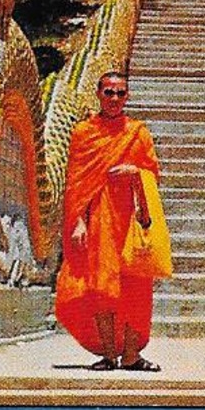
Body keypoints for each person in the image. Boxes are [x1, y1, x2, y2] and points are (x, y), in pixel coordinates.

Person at [54, 71, 164, 372]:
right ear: (98, 94)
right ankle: (108, 353)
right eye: (109, 92)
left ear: (127, 96)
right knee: (101, 286)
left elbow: (152, 174)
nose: (114, 99)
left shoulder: (138, 132)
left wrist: (135, 172)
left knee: (135, 288)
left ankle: (131, 354)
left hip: (131, 218)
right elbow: (76, 182)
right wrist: (79, 221)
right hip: (100, 218)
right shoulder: (84, 133)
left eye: (120, 93)